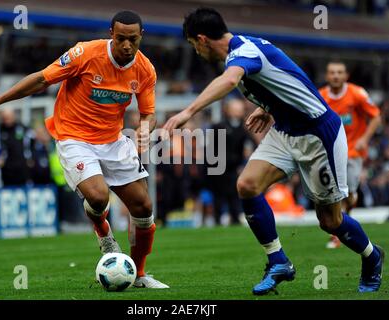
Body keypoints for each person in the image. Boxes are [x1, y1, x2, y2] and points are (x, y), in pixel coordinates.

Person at [163, 7, 384, 295]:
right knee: (247, 185)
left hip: (318, 136)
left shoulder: (243, 53)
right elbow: (287, 78)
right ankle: (278, 260)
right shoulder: (243, 50)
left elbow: (229, 81)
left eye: (193, 45)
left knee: (330, 221)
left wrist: (186, 112)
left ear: (202, 39)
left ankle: (372, 256)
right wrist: (269, 107)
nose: (196, 52)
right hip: (285, 131)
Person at [0, 10, 168, 289]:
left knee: (143, 207)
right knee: (98, 196)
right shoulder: (85, 54)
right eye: (121, 39)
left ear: (141, 37)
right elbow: (42, 79)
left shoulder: (145, 69)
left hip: (113, 140)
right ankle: (104, 235)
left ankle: (140, 275)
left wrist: (145, 127)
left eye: (132, 39)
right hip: (74, 137)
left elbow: (148, 113)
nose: (127, 45)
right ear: (111, 35)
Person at [319, 61, 382, 249]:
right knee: (332, 192)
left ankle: (341, 225)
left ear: (346, 76)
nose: (336, 76)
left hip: (353, 150)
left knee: (349, 193)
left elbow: (376, 117)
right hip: (328, 151)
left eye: (339, 72)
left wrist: (365, 138)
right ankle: (339, 229)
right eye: (332, 72)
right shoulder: (320, 96)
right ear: (327, 76)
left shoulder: (357, 94)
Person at [208, 98, 253, 225]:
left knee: (234, 194)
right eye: (236, 109)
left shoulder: (243, 128)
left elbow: (247, 146)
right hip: (219, 167)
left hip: (234, 168)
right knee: (218, 195)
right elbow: (211, 149)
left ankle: (235, 217)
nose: (238, 112)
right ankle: (217, 219)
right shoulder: (218, 126)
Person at [0, 108, 32, 186]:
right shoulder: (0, 129)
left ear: (13, 116)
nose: (6, 120)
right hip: (7, 169)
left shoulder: (22, 128)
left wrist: (31, 158)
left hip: (22, 168)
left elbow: (32, 141)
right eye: (4, 118)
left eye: (8, 117)